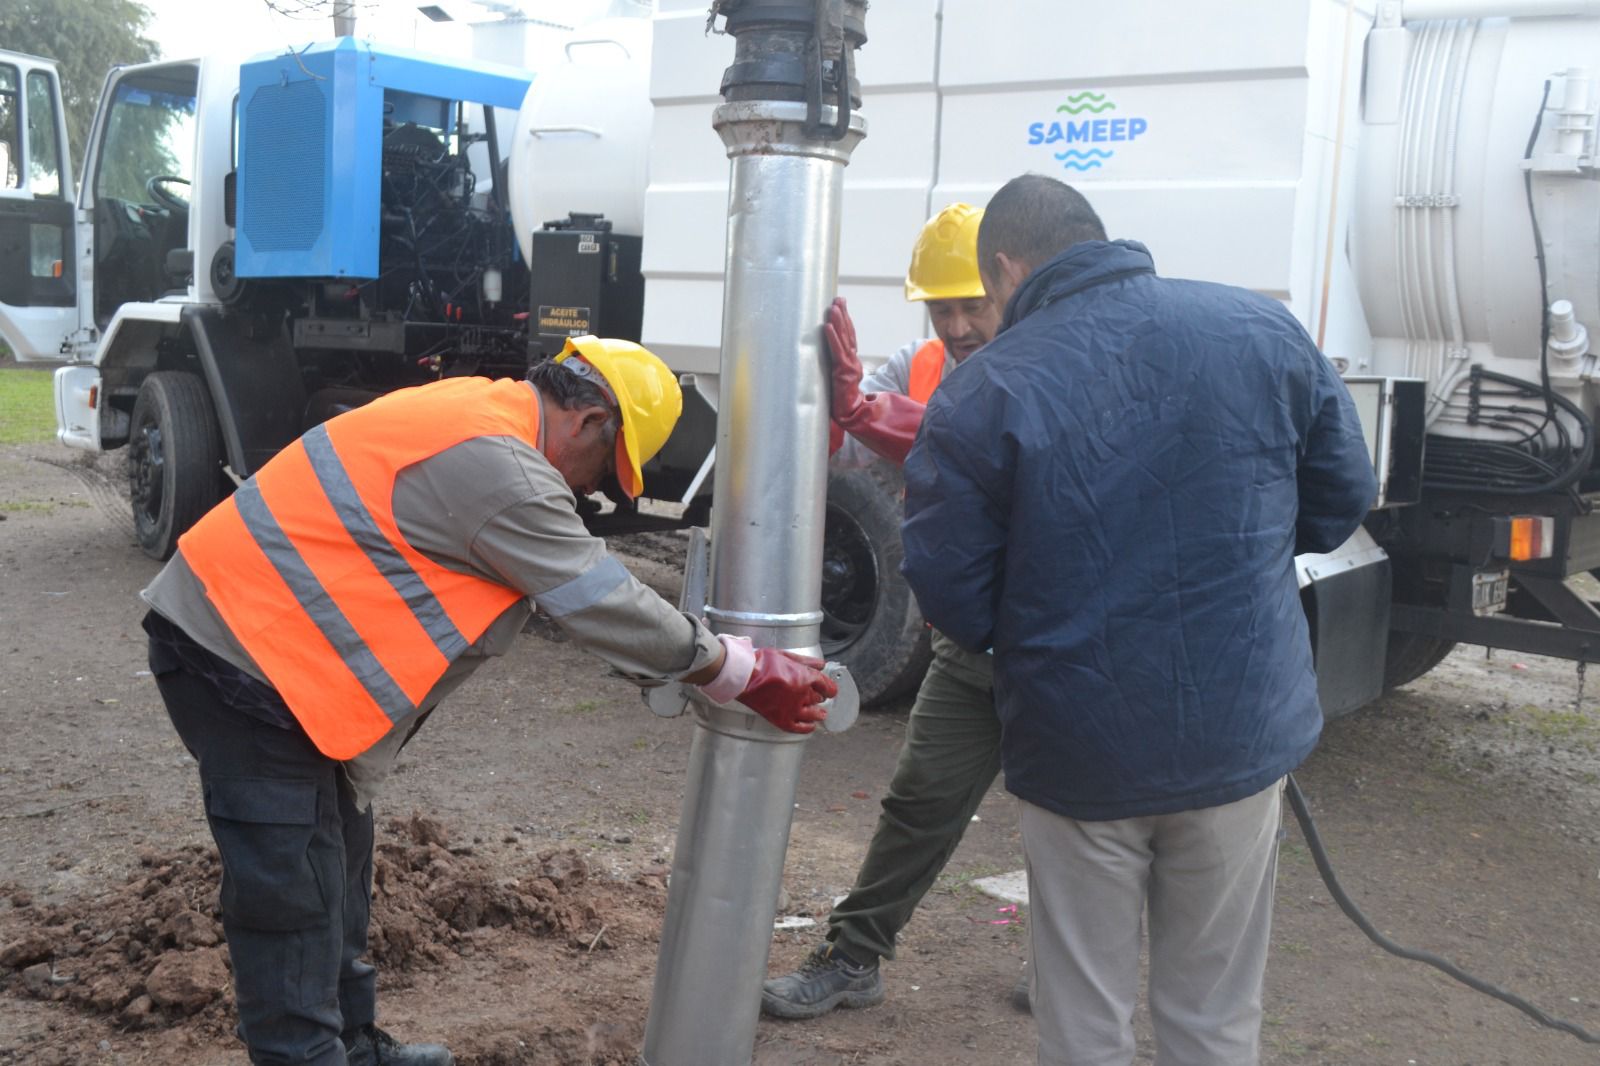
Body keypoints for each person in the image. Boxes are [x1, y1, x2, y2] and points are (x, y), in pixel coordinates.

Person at [140, 337, 838, 1066]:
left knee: (337, 860)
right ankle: (307, 1054)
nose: (592, 494)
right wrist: (737, 671)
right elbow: (600, 599)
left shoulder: (479, 411)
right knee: (290, 895)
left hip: (278, 656)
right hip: (240, 656)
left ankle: (353, 1046)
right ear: (593, 421)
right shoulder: (502, 467)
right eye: (606, 472)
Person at [900, 175, 1376, 1065]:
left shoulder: (982, 392)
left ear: (1006, 265)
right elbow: (1343, 496)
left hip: (1080, 749)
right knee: (1216, 1016)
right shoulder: (1261, 329)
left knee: (1084, 1022)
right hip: (1238, 733)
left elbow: (952, 595)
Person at [762, 204, 1016, 1021]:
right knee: (919, 799)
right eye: (941, 306)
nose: (959, 323)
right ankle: (853, 957)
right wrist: (833, 404)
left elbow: (982, 440)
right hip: (972, 642)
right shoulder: (925, 362)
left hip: (1063, 642)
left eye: (973, 302)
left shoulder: (1057, 361)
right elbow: (851, 442)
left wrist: (870, 414)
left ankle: (1081, 970)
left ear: (1012, 282)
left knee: (1079, 821)